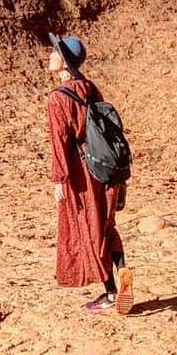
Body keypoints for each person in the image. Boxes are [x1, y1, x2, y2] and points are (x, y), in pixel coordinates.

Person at [46, 33, 134, 315]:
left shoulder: (58, 99)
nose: (50, 56)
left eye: (55, 53)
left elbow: (60, 141)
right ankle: (121, 270)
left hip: (82, 172)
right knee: (106, 225)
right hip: (105, 165)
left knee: (90, 228)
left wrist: (59, 178)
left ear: (65, 62)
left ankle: (110, 291)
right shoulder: (90, 87)